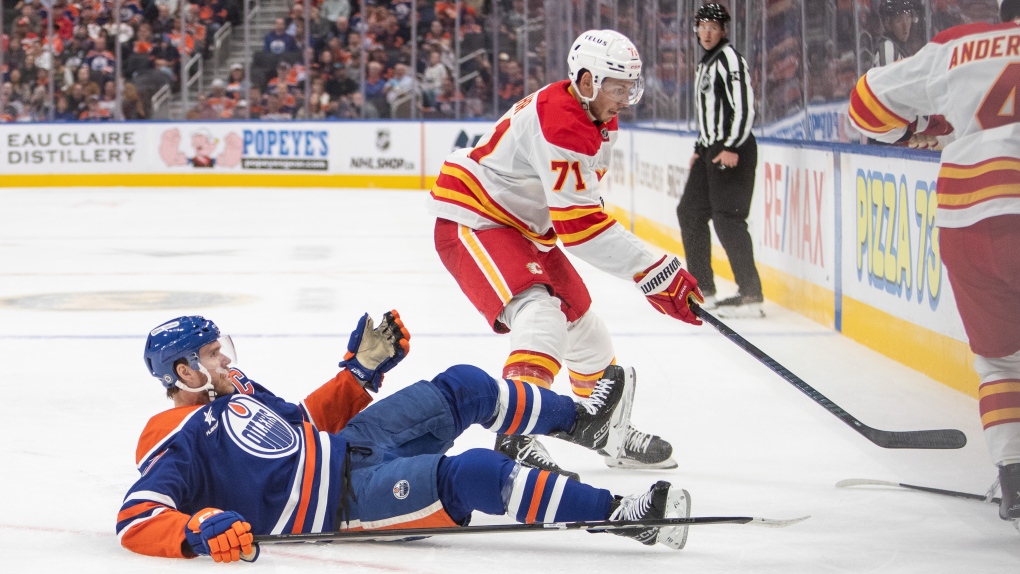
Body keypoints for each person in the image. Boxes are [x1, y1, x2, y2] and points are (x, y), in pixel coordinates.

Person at [116, 314, 691, 563]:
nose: (227, 360)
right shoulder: (172, 433)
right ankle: (625, 515)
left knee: (465, 385)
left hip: (353, 444)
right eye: (213, 355)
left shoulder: (237, 388)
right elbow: (138, 517)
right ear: (184, 373)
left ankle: (583, 422)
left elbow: (303, 422)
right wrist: (192, 532)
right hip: (342, 502)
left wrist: (359, 372)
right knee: (472, 475)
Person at [426, 29, 703, 481]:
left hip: (525, 228)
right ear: (588, 80)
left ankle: (606, 431)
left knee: (586, 329)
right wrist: (655, 269)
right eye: (619, 85)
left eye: (631, 85)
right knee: (540, 314)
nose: (627, 96)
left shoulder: (597, 117)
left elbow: (576, 212)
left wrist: (650, 270)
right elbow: (581, 228)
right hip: (475, 219)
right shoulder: (564, 120)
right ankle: (516, 432)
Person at [847, 0, 1020, 526]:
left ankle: (1013, 476)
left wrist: (920, 129)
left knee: (1001, 362)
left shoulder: (959, 46)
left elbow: (864, 106)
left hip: (965, 223)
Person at [676, 3, 763, 319]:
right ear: (696, 29)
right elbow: (708, 113)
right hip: (711, 149)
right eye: (703, 26)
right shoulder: (706, 64)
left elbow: (744, 108)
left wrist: (729, 146)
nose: (708, 32)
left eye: (714, 26)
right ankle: (705, 289)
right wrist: (701, 149)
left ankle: (751, 293)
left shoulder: (729, 59)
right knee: (690, 211)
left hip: (732, 149)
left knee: (728, 218)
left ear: (724, 30)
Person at [872, 0, 920, 68]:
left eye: (907, 18)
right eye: (899, 20)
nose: (905, 26)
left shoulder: (898, 47)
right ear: (888, 24)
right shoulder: (888, 48)